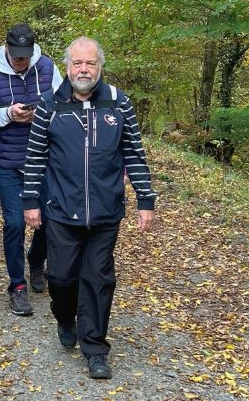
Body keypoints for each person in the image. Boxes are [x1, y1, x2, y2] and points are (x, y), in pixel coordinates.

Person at [22, 36, 156, 380]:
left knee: (98, 278)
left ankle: (95, 347)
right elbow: (35, 157)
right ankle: (65, 317)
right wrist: (31, 201)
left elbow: (134, 153)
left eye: (90, 63)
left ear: (99, 67)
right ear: (68, 67)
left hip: (105, 212)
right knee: (61, 277)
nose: (84, 69)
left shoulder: (118, 103)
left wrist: (145, 199)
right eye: (78, 63)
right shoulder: (50, 105)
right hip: (61, 209)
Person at [0, 23, 62, 316]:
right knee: (14, 223)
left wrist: (42, 115)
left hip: (44, 158)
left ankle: (36, 261)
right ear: (6, 47)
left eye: (26, 54)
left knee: (49, 219)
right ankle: (17, 286)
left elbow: (65, 106)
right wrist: (9, 114)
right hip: (7, 161)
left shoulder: (47, 67)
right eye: (16, 54)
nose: (21, 60)